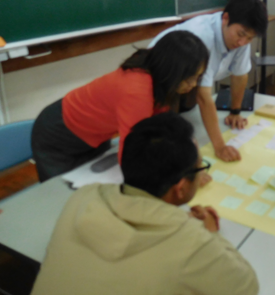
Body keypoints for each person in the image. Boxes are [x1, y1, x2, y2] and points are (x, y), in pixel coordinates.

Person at [31, 112, 259, 295]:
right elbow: (246, 286)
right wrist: (209, 233)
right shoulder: (192, 242)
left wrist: (176, 221)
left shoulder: (83, 196)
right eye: (201, 167)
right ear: (180, 188)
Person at [31, 31, 209, 182]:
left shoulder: (160, 70)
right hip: (58, 136)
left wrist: (194, 167)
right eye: (189, 78)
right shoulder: (136, 91)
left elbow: (172, 129)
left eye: (198, 77)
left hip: (95, 134)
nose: (193, 85)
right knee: (62, 196)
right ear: (171, 70)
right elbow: (133, 153)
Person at [149, 0, 268, 162]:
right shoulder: (202, 36)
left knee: (187, 124)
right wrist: (220, 147)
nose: (243, 42)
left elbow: (240, 75)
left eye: (250, 38)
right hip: (160, 82)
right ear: (225, 18)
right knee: (162, 137)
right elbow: (203, 97)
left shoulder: (241, 39)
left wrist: (235, 112)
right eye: (241, 34)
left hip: (184, 86)